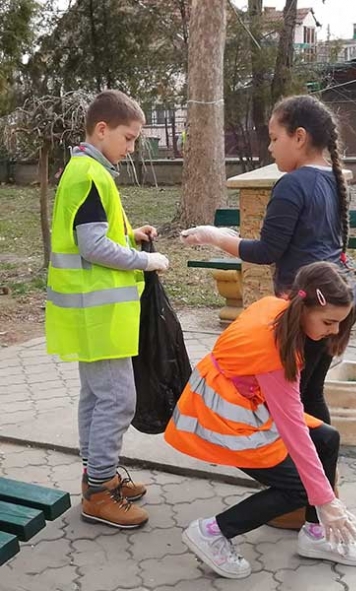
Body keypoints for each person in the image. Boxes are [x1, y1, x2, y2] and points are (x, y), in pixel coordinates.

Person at [164, 262, 356, 579]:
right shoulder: (277, 355)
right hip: (225, 418)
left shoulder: (278, 307)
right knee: (300, 488)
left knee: (327, 438)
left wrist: (325, 502)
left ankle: (315, 534)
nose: (334, 331)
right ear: (304, 307)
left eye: (339, 325)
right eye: (329, 322)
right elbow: (294, 431)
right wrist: (326, 501)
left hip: (246, 403)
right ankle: (213, 532)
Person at [180, 94, 356, 426]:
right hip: (341, 297)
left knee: (294, 401)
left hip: (311, 307)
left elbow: (266, 252)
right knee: (311, 393)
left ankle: (300, 472)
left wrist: (214, 237)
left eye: (275, 138)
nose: (270, 148)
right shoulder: (333, 180)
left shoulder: (292, 184)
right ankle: (323, 470)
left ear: (300, 137)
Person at [45, 89, 170, 529]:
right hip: (99, 314)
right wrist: (146, 259)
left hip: (87, 311)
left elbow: (93, 232)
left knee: (97, 398)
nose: (132, 147)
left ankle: (96, 474)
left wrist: (128, 233)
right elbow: (93, 245)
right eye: (129, 137)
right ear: (102, 129)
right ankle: (99, 491)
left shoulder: (85, 169)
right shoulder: (91, 175)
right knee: (118, 399)